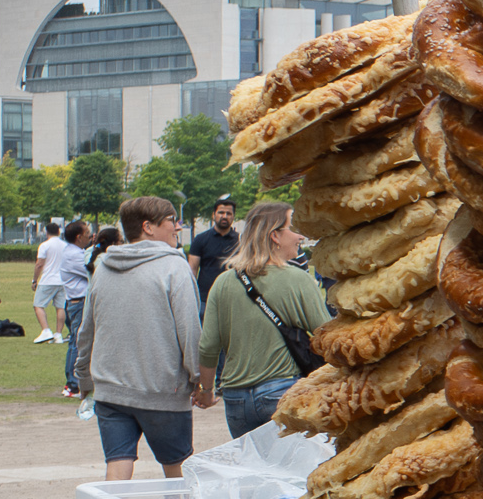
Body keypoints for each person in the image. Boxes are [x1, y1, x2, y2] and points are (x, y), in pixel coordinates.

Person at [78, 196, 209, 479]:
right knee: (177, 469)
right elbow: (189, 328)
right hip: (162, 390)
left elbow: (86, 329)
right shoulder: (174, 267)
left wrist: (84, 379)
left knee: (117, 464)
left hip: (110, 389)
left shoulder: (103, 268)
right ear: (148, 227)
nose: (177, 227)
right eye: (172, 221)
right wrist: (199, 378)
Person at [199, 201, 327, 439]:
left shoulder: (223, 282)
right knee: (290, 471)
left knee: (251, 470)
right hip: (281, 391)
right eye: (294, 227)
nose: (300, 235)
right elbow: (327, 336)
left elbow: (208, 346)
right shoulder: (299, 280)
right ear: (275, 236)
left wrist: (206, 391)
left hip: (236, 398)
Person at [54, 220, 93, 398]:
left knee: (79, 341)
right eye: (87, 233)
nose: (90, 235)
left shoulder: (77, 252)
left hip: (79, 301)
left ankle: (77, 381)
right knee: (77, 342)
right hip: (78, 302)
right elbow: (92, 271)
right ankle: (72, 384)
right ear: (78, 237)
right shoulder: (73, 255)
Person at [188, 197, 241, 307]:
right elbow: (192, 269)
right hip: (205, 299)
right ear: (214, 215)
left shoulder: (241, 241)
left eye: (229, 213)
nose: (224, 216)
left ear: (233, 217)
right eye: (221, 212)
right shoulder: (200, 239)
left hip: (232, 298)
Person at [31, 221, 72, 343]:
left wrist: (34, 280)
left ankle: (46, 330)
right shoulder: (65, 245)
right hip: (62, 280)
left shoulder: (45, 245)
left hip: (48, 279)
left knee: (38, 305)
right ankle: (58, 334)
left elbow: (39, 264)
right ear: (59, 232)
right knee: (61, 307)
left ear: (46, 232)